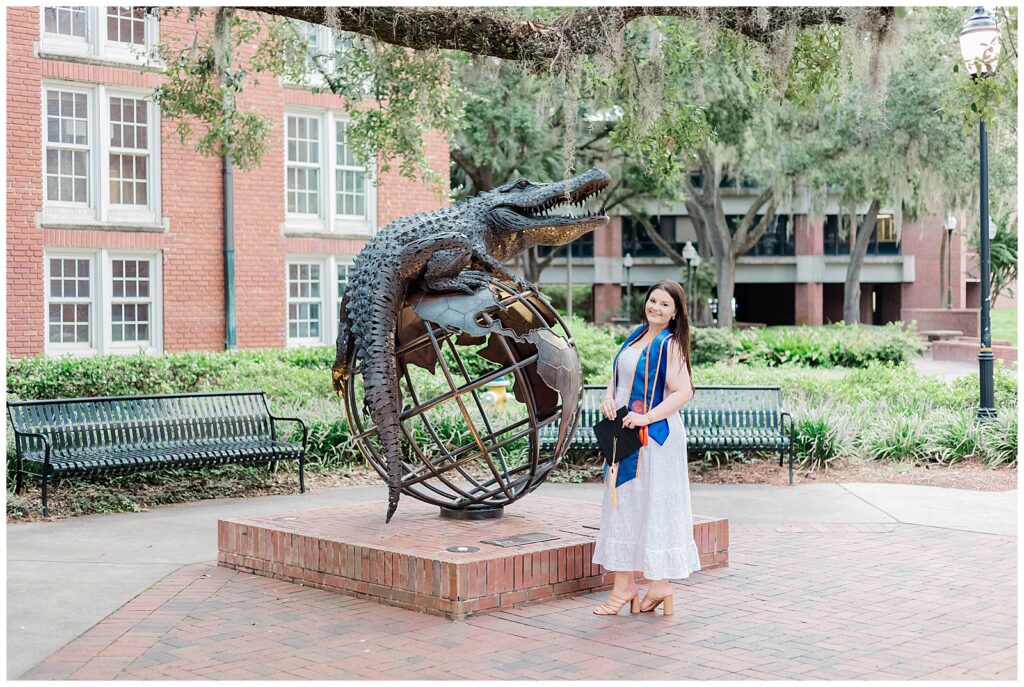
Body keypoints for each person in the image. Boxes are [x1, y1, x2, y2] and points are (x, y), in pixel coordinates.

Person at [591, 279, 701, 616]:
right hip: (623, 432)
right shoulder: (635, 337)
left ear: (675, 312)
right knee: (623, 504)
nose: (656, 307)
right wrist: (608, 399)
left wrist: (647, 417)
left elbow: (684, 391)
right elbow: (618, 379)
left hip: (654, 438)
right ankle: (627, 586)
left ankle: (658, 584)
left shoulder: (670, 345)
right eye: (653, 300)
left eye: (664, 304)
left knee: (652, 503)